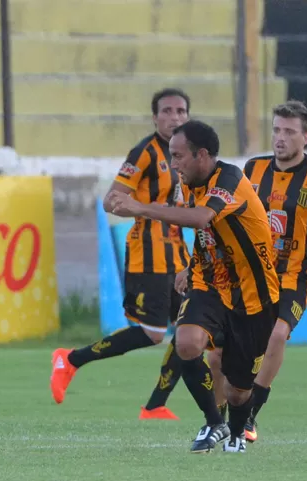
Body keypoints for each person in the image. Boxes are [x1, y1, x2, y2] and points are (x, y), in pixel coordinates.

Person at [109, 120, 280, 453]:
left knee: (237, 389)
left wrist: (141, 208)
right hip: (211, 282)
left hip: (253, 293)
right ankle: (213, 422)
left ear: (202, 155)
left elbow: (203, 218)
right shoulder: (188, 182)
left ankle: (237, 429)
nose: (174, 165)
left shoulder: (229, 179)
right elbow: (208, 232)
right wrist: (191, 265)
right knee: (187, 342)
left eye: (178, 156)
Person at [50, 89, 204, 420]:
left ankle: (155, 406)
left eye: (180, 111)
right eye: (167, 111)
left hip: (178, 255)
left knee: (192, 328)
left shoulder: (187, 154)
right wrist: (142, 207)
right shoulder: (145, 153)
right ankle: (71, 359)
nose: (174, 117)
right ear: (155, 117)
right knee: (152, 333)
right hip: (147, 254)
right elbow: (111, 199)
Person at [208, 101, 307, 443]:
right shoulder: (251, 168)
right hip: (250, 273)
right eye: (276, 130)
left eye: (289, 132)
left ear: (305, 137)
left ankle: (250, 413)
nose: (280, 138)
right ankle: (216, 420)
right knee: (220, 350)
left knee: (277, 334)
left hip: (295, 277)